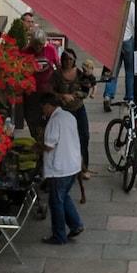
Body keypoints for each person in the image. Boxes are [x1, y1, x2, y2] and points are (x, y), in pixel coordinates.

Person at [34, 94, 84, 245]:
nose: (42, 111)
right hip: (73, 165)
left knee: (56, 202)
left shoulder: (55, 121)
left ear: (49, 105)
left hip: (60, 168)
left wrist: (37, 147)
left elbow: (49, 145)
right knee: (64, 197)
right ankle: (76, 224)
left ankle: (59, 235)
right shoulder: (69, 116)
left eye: (43, 107)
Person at [54, 50, 94, 201]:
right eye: (65, 59)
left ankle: (84, 167)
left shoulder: (79, 73)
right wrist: (62, 96)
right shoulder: (57, 75)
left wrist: (76, 95)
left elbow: (86, 90)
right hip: (63, 111)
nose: (68, 61)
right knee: (65, 140)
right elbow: (52, 91)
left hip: (78, 109)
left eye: (70, 59)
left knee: (84, 136)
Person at [103, 0, 137, 110]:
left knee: (113, 71)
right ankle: (129, 97)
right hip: (128, 41)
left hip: (115, 42)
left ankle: (108, 95)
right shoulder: (131, 6)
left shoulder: (112, 5)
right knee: (130, 71)